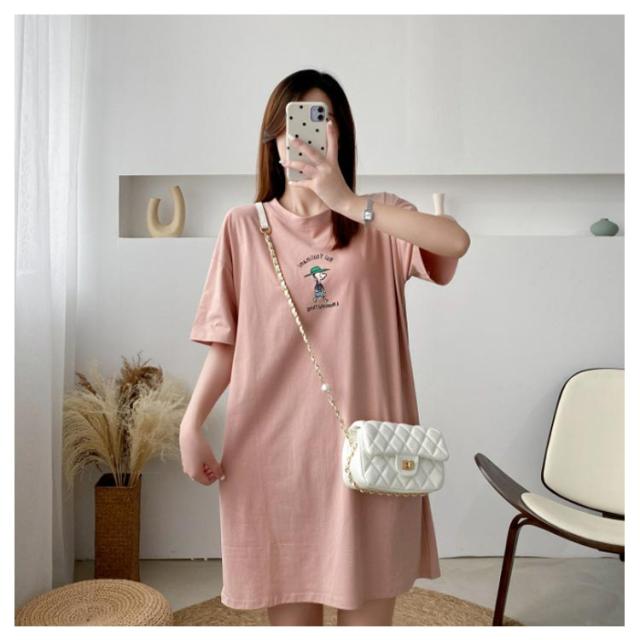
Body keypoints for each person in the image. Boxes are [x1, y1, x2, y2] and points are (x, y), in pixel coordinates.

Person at [179, 69, 470, 626]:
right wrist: (191, 425)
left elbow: (456, 241)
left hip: (371, 459)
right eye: (295, 122)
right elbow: (225, 342)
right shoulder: (243, 227)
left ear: (341, 134)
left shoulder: (379, 217)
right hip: (276, 459)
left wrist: (348, 202)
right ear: (274, 139)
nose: (308, 134)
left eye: (323, 119)